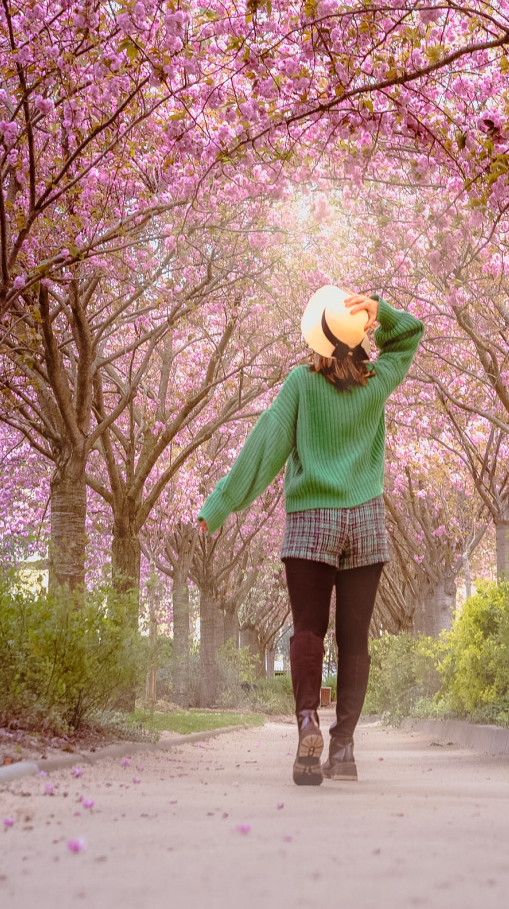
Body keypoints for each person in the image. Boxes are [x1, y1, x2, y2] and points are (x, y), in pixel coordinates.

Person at [197, 286, 424, 786]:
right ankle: (342, 750)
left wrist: (217, 507)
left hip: (311, 521)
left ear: (317, 340)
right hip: (364, 521)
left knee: (308, 630)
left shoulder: (300, 384)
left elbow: (265, 448)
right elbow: (409, 336)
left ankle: (306, 723)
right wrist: (378, 311)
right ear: (356, 339)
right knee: (354, 640)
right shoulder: (375, 381)